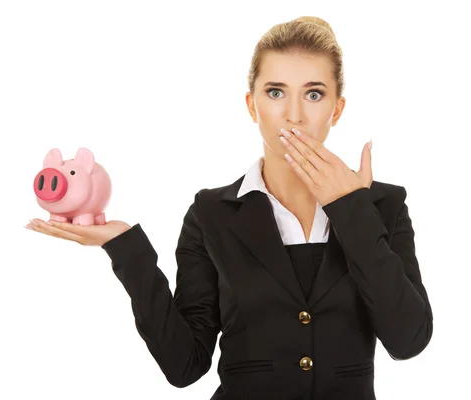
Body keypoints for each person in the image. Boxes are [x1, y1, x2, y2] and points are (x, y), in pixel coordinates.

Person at [26, 16, 433, 400]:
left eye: (313, 94)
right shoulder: (211, 213)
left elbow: (408, 340)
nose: (293, 114)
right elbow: (184, 366)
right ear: (252, 105)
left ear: (336, 109)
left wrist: (351, 210)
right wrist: (126, 249)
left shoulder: (383, 205)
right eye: (275, 92)